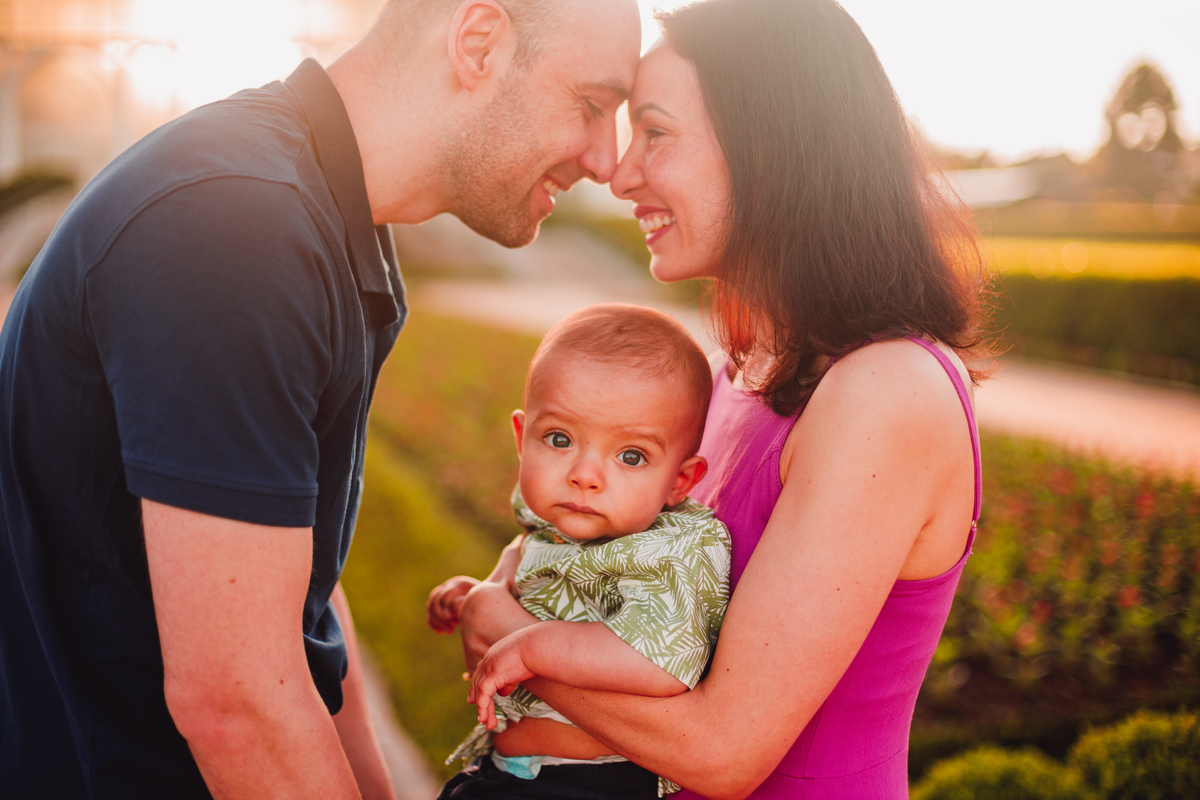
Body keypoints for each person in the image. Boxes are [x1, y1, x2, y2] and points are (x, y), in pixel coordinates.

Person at [0, 1, 640, 798]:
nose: (608, 160)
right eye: (591, 105)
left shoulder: (319, 213)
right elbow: (236, 702)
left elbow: (293, 585)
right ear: (479, 43)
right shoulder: (237, 223)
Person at [452, 0, 991, 798]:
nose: (620, 170)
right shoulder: (721, 372)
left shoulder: (887, 393)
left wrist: (506, 627)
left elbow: (719, 752)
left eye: (657, 134)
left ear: (773, 150)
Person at [427, 304, 731, 799]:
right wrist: (479, 593)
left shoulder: (671, 551)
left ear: (679, 481)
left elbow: (659, 662)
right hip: (507, 769)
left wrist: (530, 646)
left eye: (631, 456)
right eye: (560, 438)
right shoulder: (552, 520)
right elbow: (537, 574)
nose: (585, 475)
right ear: (522, 439)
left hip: (591, 783)